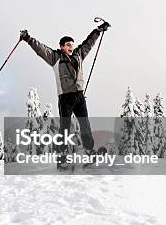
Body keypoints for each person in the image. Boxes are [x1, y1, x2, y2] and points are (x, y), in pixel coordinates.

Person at [19, 21, 110, 167]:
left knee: (85, 124)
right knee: (65, 128)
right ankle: (61, 157)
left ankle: (89, 151)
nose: (71, 47)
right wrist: (28, 39)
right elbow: (41, 49)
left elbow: (88, 43)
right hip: (65, 98)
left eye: (72, 45)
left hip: (79, 96)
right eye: (68, 45)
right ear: (62, 46)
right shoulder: (55, 58)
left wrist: (98, 30)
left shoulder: (79, 55)